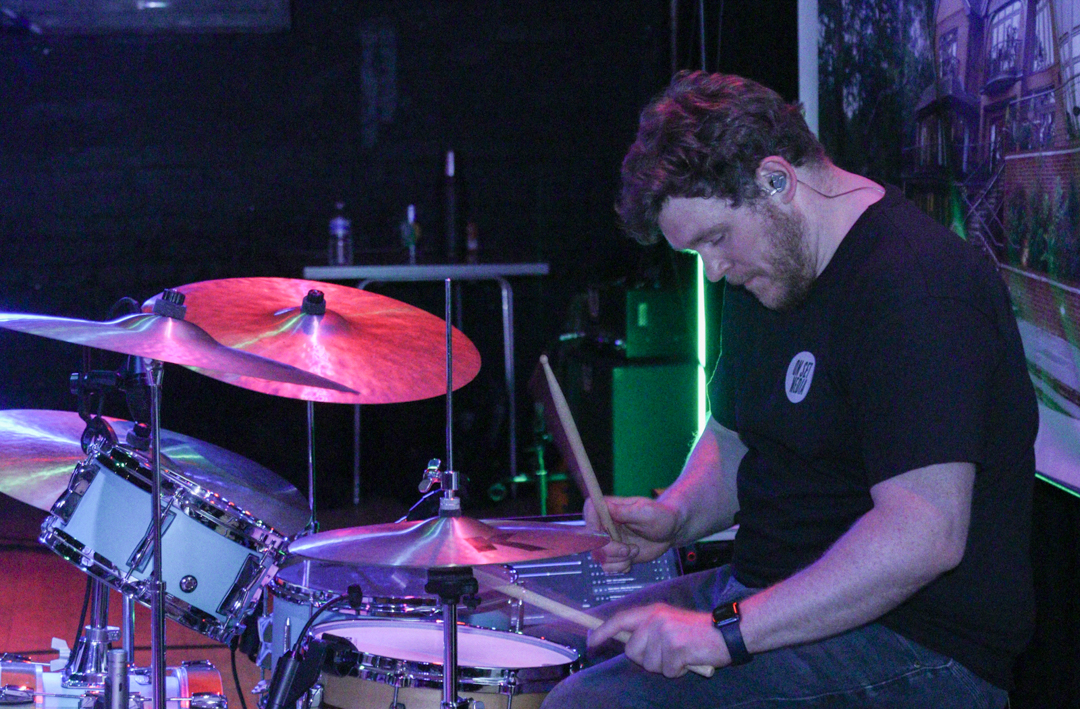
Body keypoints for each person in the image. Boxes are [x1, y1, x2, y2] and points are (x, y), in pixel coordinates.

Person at [540, 71, 1037, 708]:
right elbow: (735, 438)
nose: (714, 271)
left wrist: (725, 633)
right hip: (773, 595)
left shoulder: (918, 286)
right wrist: (678, 515)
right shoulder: (771, 268)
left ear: (777, 181)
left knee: (585, 705)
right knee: (562, 641)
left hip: (916, 644)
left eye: (716, 239)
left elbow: (925, 534)